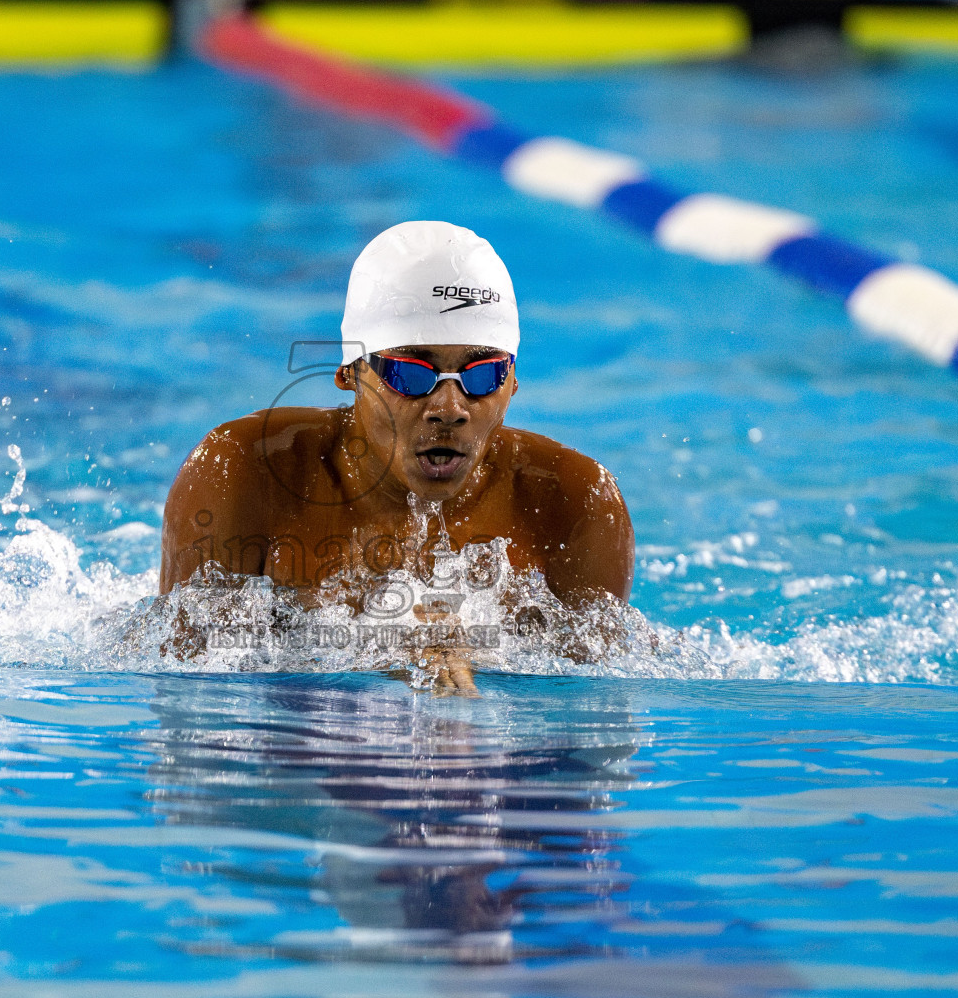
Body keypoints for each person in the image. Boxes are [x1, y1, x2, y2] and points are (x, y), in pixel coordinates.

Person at [160, 221, 634, 691]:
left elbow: (585, 717)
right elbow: (192, 699)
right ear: (350, 371)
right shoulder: (244, 471)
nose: (449, 409)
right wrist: (376, 652)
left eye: (482, 375)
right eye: (411, 374)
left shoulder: (576, 503)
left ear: (512, 381)